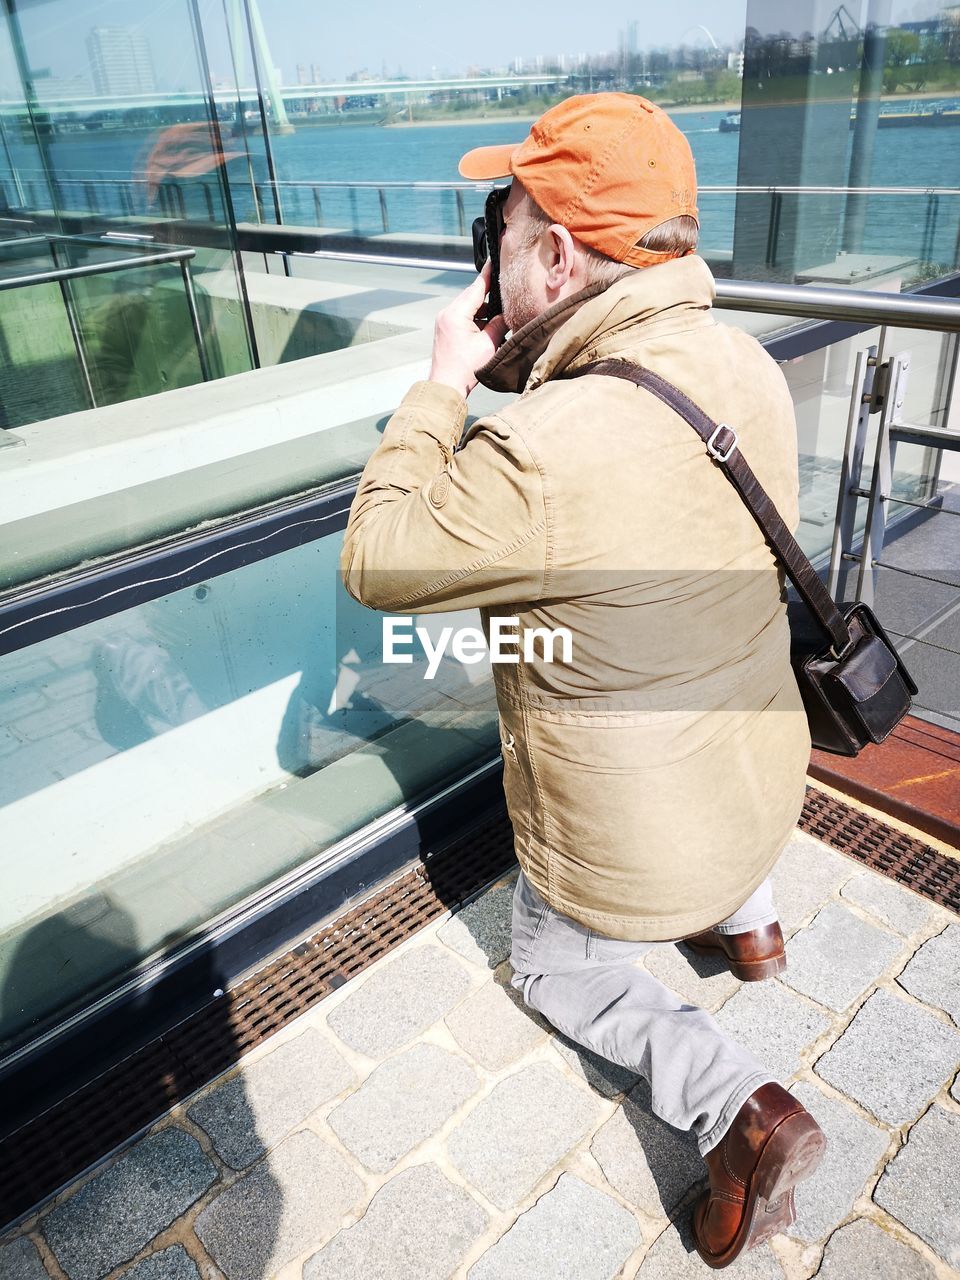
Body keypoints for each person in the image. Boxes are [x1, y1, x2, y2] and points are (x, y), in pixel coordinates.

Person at [340, 92, 826, 1267]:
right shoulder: (743, 362)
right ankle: (751, 932)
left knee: (553, 966)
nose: (486, 250)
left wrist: (447, 380)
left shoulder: (548, 444)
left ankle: (735, 1107)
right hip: (762, 781)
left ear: (557, 254)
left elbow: (376, 556)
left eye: (500, 224)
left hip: (642, 845)